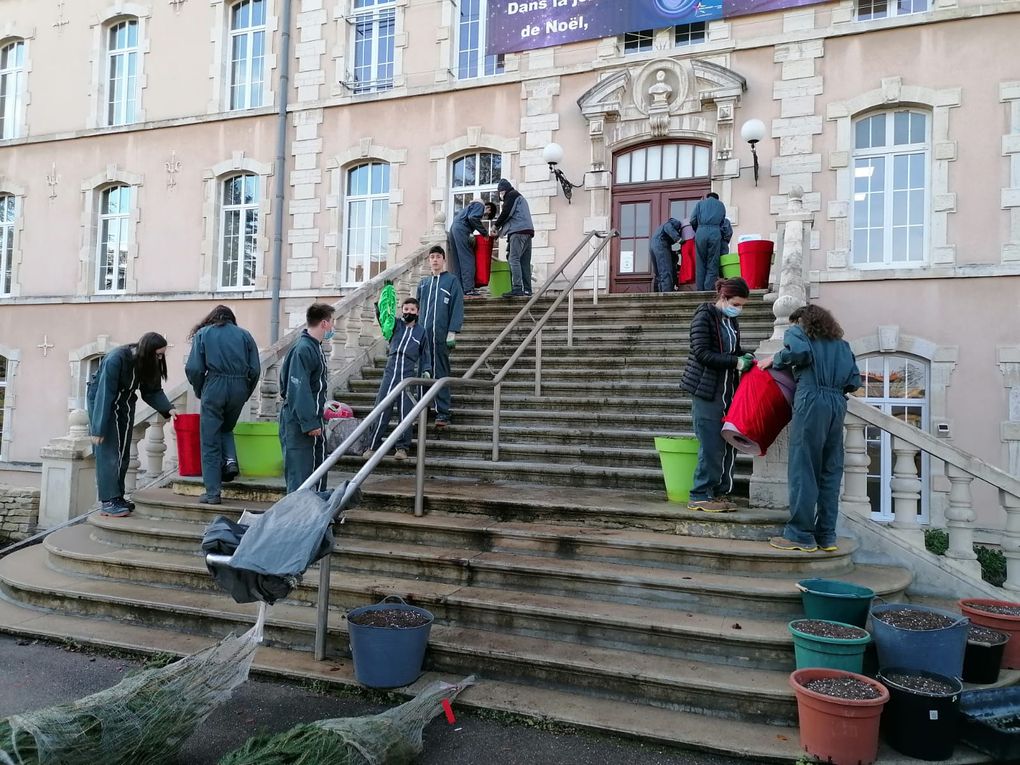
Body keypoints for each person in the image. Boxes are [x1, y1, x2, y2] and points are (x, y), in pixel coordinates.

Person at [760, 305, 862, 553]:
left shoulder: (798, 333)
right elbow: (854, 382)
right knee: (830, 470)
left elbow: (800, 353)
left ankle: (800, 534)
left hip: (812, 399)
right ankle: (826, 535)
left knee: (804, 467)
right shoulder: (842, 345)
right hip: (837, 404)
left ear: (801, 321)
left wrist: (775, 359)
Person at [679, 277, 755, 512]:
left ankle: (720, 492)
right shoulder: (704, 316)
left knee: (730, 443)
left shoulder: (731, 321)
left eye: (742, 305)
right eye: (736, 303)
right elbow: (702, 353)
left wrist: (746, 356)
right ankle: (700, 494)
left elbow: (733, 350)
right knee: (711, 445)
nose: (739, 308)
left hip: (729, 391)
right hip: (707, 391)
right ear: (723, 298)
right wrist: (736, 362)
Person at [87, 332, 178, 517]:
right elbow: (105, 393)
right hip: (104, 401)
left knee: (123, 452)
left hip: (125, 402)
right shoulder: (117, 358)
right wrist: (99, 428)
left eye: (162, 354)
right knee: (110, 451)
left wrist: (168, 409)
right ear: (148, 350)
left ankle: (117, 496)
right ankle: (108, 500)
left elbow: (152, 391)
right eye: (158, 354)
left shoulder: (147, 362)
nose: (160, 358)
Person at [185, 305, 261, 505]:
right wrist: (245, 392)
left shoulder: (204, 334)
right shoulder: (245, 335)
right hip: (239, 387)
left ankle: (212, 493)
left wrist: (200, 389)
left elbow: (193, 368)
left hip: (215, 385)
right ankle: (230, 462)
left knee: (209, 439)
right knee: (227, 428)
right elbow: (255, 370)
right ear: (231, 319)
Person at [363, 297, 432, 461]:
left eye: (412, 310)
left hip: (407, 373)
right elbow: (383, 319)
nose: (409, 313)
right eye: (406, 309)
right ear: (402, 310)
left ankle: (402, 448)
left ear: (418, 312)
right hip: (391, 370)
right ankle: (373, 445)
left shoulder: (421, 332)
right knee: (382, 407)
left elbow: (425, 354)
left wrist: (427, 370)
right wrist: (380, 304)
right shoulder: (395, 325)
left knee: (405, 411)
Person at [278, 302, 335, 494]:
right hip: (299, 423)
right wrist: (309, 422)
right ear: (325, 324)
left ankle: (314, 517)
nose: (333, 327)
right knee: (301, 476)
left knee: (316, 471)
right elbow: (297, 388)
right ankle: (298, 521)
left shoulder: (313, 347)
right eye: (332, 322)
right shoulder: (304, 349)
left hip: (311, 418)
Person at [417, 245, 464, 429]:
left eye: (438, 256)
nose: (435, 260)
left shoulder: (451, 281)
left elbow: (457, 306)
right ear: (429, 261)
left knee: (441, 372)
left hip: (441, 337)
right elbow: (417, 309)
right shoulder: (423, 284)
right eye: (432, 257)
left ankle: (443, 412)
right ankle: (422, 408)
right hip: (423, 338)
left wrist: (452, 332)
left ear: (444, 260)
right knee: (422, 371)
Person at [493, 179, 535, 298]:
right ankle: (527, 289)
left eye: (500, 193)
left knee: (513, 259)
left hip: (518, 232)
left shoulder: (511, 195)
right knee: (524, 262)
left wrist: (496, 226)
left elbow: (507, 213)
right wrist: (499, 233)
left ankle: (517, 288)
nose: (500, 196)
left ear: (502, 191)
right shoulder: (520, 198)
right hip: (527, 232)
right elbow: (512, 218)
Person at [689, 193, 733, 291]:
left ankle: (700, 289)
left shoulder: (700, 204)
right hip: (715, 232)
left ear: (707, 197)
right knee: (713, 262)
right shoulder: (720, 205)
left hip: (701, 232)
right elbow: (723, 222)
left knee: (700, 261)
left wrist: (699, 230)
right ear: (717, 198)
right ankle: (709, 288)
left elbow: (692, 220)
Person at [448, 200, 489, 299]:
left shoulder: (468, 207)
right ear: (488, 207)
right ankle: (469, 289)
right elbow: (473, 218)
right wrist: (484, 233)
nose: (484, 216)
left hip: (453, 229)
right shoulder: (480, 205)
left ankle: (460, 290)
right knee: (468, 259)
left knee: (457, 262)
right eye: (487, 214)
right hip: (461, 229)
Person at [649, 217, 683, 293]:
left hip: (653, 246)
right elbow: (670, 230)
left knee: (658, 274)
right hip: (660, 245)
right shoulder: (669, 224)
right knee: (666, 271)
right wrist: (679, 239)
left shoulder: (658, 231)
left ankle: (657, 294)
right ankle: (666, 296)